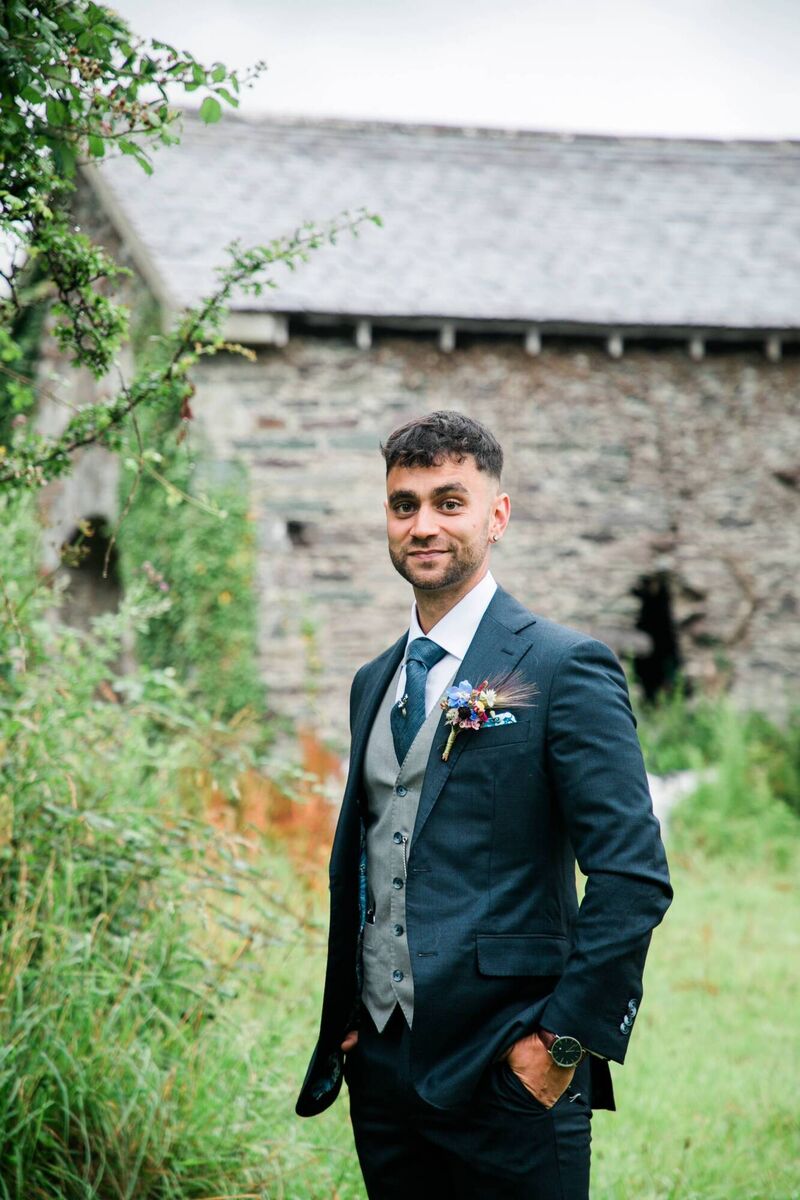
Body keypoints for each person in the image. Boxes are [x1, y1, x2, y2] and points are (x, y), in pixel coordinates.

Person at [296, 410, 672, 1199]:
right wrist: (356, 1028)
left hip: (512, 1070)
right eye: (405, 505)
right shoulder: (374, 680)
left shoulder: (565, 667)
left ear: (496, 515)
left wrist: (558, 1049)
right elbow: (372, 854)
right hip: (385, 1070)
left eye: (449, 501)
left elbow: (633, 876)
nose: (423, 524)